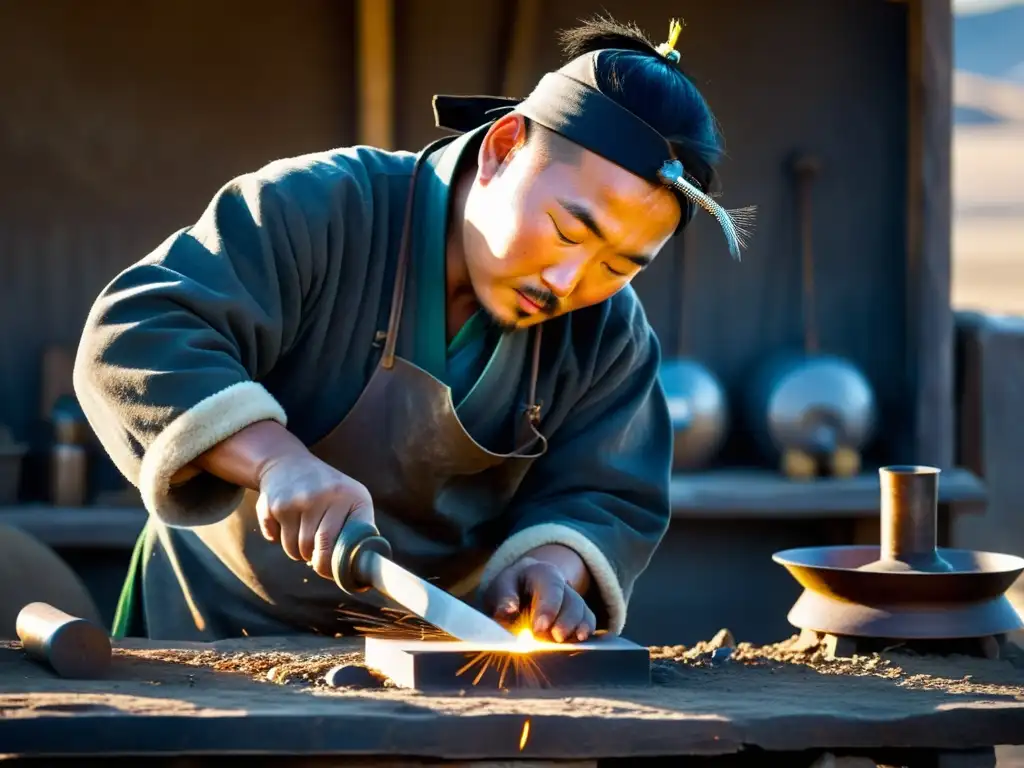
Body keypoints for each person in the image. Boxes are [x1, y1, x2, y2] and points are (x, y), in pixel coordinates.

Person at [73, 15, 752, 644]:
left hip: (436, 656)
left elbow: (607, 491)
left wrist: (552, 566)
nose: (570, 281)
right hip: (210, 623)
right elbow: (139, 331)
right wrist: (278, 460)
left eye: (620, 264)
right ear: (504, 147)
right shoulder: (323, 208)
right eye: (569, 230)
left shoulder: (608, 333)